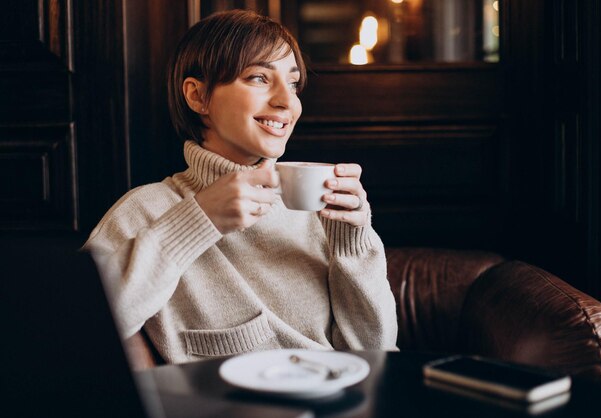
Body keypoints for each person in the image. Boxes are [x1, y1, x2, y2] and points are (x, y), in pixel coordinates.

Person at [83, 9, 397, 364]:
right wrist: (199, 220)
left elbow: (376, 355)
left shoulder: (314, 212)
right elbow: (71, 330)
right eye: (259, 78)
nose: (287, 101)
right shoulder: (144, 210)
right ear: (198, 97)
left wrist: (353, 244)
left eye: (293, 83)